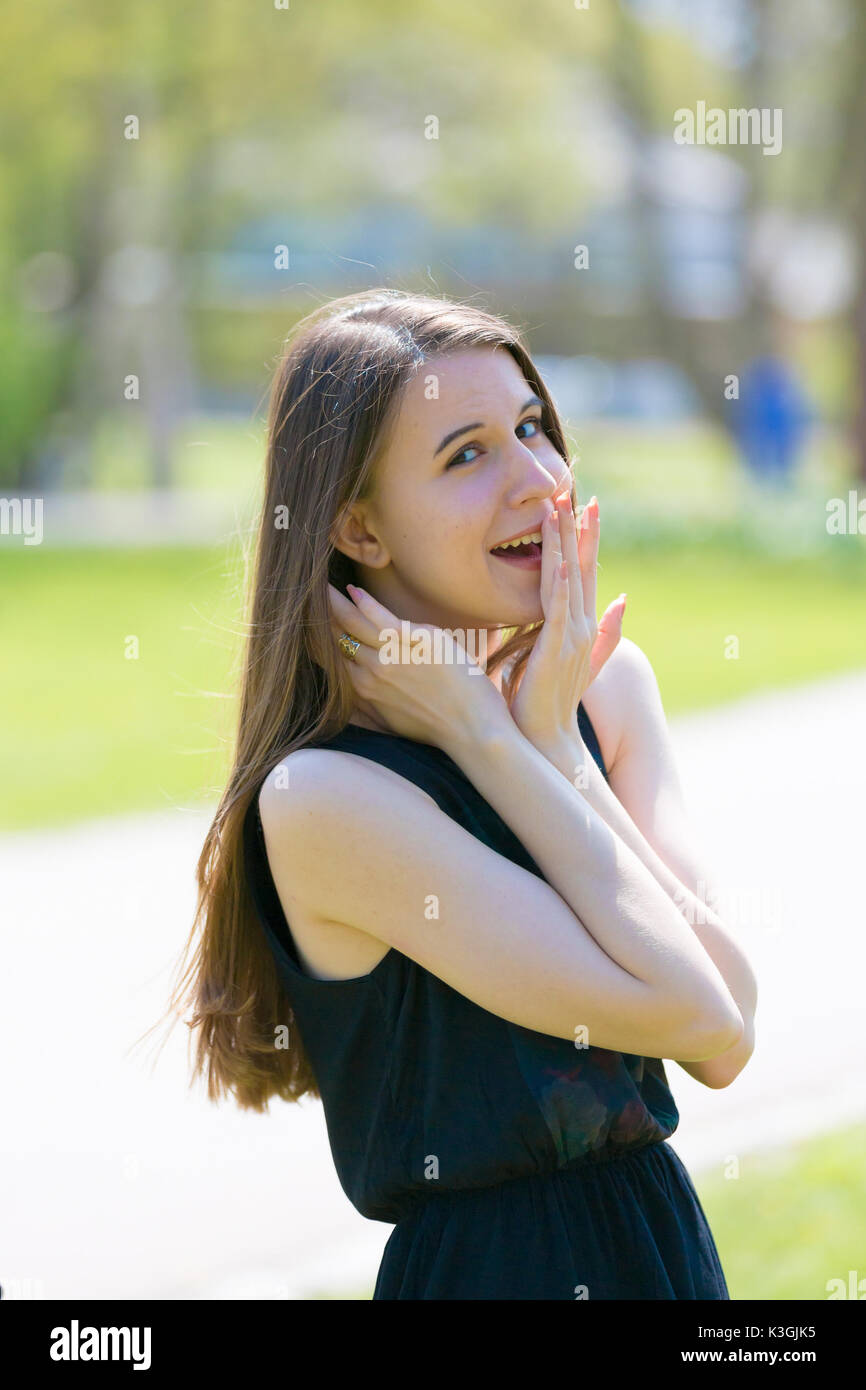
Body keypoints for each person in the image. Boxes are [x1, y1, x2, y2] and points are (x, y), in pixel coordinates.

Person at [163, 288, 757, 1299]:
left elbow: (728, 1018)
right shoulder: (326, 798)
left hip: (662, 1251)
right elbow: (692, 1015)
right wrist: (490, 739)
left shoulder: (603, 691)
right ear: (359, 525)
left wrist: (539, 746)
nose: (537, 480)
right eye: (465, 454)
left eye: (532, 428)